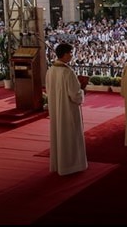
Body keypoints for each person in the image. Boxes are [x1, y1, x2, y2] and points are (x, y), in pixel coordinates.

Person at [45, 43, 88, 176]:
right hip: (68, 110)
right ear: (64, 54)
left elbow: (48, 90)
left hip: (56, 110)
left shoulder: (50, 70)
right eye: (70, 53)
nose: (72, 55)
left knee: (59, 135)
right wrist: (82, 90)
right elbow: (75, 95)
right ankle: (71, 165)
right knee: (70, 136)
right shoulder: (67, 72)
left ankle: (59, 164)